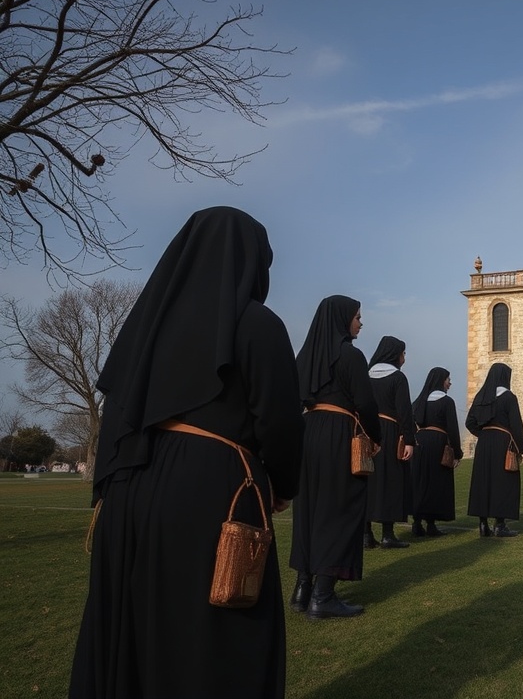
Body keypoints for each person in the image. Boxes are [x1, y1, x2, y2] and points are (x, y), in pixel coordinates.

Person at [69, 206, 305, 699]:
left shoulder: (144, 330)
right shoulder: (257, 325)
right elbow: (280, 422)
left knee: (133, 629)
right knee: (216, 639)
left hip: (129, 490)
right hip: (209, 493)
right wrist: (281, 486)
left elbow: (118, 411)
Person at [290, 295, 381, 620]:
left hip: (308, 432)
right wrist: (375, 438)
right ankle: (323, 595)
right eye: (357, 316)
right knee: (340, 508)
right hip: (339, 434)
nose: (360, 322)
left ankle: (302, 589)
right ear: (343, 319)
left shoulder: (305, 358)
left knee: (310, 510)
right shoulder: (351, 356)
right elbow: (366, 405)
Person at [365, 336, 416, 549]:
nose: (404, 358)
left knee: (368, 480)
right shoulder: (398, 378)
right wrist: (409, 440)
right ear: (395, 354)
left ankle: (366, 534)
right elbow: (404, 411)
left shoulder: (365, 375)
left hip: (366, 433)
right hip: (391, 433)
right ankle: (387, 534)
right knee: (391, 482)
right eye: (403, 353)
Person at [466, 362, 523, 538]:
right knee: (504, 482)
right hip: (503, 443)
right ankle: (500, 525)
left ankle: (483, 524)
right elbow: (516, 425)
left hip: (484, 444)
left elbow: (469, 422)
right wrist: (521, 448)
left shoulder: (481, 397)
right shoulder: (509, 398)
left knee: (483, 481)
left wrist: (484, 434)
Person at [410, 367, 463, 537]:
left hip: (420, 443)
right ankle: (431, 524)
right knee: (436, 484)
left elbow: (410, 422)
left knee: (420, 482)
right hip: (439, 444)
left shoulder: (419, 401)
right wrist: (457, 453)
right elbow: (453, 430)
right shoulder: (447, 402)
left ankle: (417, 522)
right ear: (441, 380)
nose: (450, 383)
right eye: (448, 379)